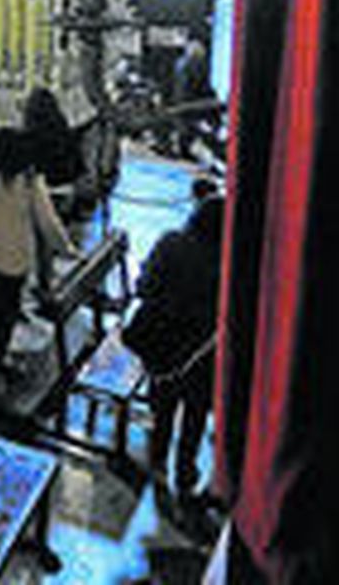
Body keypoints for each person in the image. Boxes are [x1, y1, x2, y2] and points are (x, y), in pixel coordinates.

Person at [0, 130, 80, 391]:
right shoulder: (29, 180)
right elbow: (47, 223)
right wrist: (67, 248)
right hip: (12, 263)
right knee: (3, 318)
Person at [127, 195, 224, 498]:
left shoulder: (170, 243)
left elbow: (141, 287)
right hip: (199, 355)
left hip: (160, 345)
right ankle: (186, 471)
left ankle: (157, 461)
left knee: (163, 407)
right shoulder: (226, 263)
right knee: (195, 415)